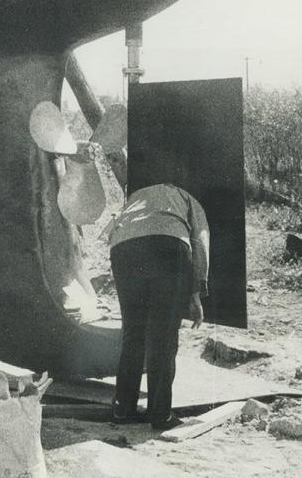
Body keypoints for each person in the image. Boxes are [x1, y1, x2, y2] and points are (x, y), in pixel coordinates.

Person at [105, 173, 210, 430]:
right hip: (167, 244)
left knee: (133, 332)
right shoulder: (189, 199)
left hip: (123, 249)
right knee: (162, 334)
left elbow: (112, 232)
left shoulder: (137, 198)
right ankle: (160, 415)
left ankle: (123, 409)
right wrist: (196, 291)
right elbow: (201, 244)